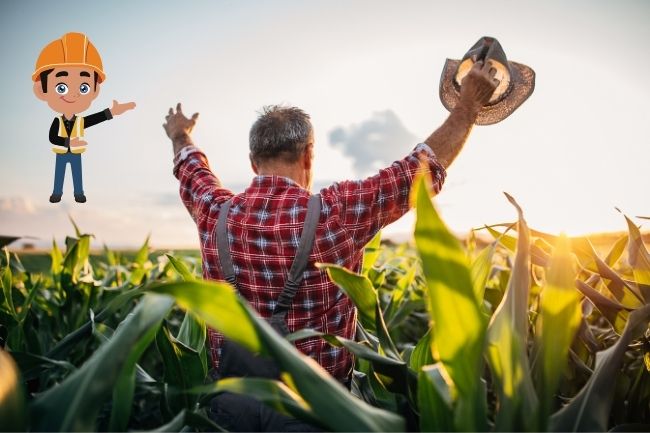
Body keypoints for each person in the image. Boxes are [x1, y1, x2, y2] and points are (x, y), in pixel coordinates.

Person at [163, 59, 498, 429]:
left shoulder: (214, 211)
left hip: (231, 407)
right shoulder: (335, 214)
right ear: (309, 154)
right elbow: (419, 170)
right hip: (313, 411)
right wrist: (468, 107)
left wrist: (181, 133)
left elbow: (191, 167)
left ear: (253, 163)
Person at [32, 32, 136, 203]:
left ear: (95, 90)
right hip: (62, 153)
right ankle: (57, 193)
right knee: (59, 174)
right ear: (41, 90)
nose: (73, 94)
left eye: (83, 88)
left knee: (77, 174)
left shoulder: (80, 121)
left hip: (76, 154)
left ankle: (78, 193)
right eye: (61, 87)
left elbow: (95, 119)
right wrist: (67, 143)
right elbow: (52, 137)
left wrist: (112, 111)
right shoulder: (57, 121)